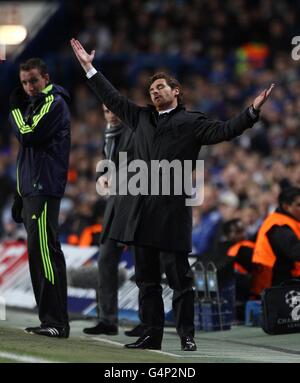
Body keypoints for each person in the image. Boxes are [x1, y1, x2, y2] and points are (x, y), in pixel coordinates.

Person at [70, 38, 273, 351]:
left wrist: (251, 112)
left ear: (176, 91)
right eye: (152, 89)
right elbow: (109, 94)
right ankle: (151, 333)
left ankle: (186, 334)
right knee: (146, 280)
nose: (155, 91)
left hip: (172, 213)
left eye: (161, 86)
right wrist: (88, 66)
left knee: (180, 280)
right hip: (140, 211)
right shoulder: (139, 117)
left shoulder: (193, 122)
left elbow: (225, 131)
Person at [9, 58, 71, 338]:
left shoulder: (54, 102)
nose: (29, 86)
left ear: (45, 77)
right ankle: (50, 319)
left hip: (44, 188)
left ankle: (56, 322)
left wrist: (13, 109)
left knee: (45, 253)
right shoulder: (35, 105)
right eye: (24, 82)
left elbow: (28, 135)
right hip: (34, 189)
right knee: (40, 253)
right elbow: (27, 157)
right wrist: (19, 195)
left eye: (33, 80)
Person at [83, 104, 137, 336]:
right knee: (105, 260)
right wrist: (102, 178)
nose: (111, 115)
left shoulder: (133, 133)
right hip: (114, 206)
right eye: (106, 111)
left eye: (114, 110)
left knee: (144, 265)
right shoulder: (108, 135)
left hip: (135, 206)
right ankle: (107, 319)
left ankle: (149, 321)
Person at [251, 186, 300, 298]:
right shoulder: (278, 225)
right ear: (286, 206)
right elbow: (296, 252)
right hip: (276, 288)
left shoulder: (292, 221)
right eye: (299, 205)